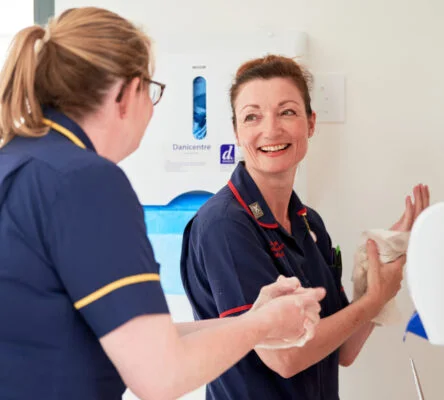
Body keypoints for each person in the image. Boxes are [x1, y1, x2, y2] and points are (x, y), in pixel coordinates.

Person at [0, 9, 326, 400]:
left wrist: (257, 320)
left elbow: (147, 341)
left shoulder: (20, 162)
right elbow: (160, 376)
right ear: (128, 93)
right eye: (152, 92)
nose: (152, 110)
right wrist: (262, 326)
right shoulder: (86, 181)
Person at [180, 54, 431, 400]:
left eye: (287, 112)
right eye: (252, 116)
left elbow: (344, 351)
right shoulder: (224, 224)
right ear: (237, 132)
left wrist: (380, 269)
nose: (271, 130)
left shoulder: (309, 223)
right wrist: (373, 301)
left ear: (311, 123)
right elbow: (284, 357)